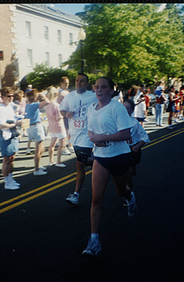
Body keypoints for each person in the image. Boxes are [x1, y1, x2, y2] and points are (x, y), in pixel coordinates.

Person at [82, 76, 136, 256]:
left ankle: (130, 196)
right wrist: (93, 137)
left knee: (121, 192)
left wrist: (102, 138)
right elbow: (90, 130)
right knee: (96, 199)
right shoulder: (91, 108)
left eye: (103, 87)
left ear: (112, 90)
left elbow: (125, 133)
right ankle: (94, 241)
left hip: (120, 156)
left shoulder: (117, 107)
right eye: (96, 87)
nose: (98, 90)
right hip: (101, 158)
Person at [59, 73, 98, 205]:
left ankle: (75, 195)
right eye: (77, 81)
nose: (79, 83)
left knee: (80, 165)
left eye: (82, 81)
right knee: (85, 161)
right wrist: (66, 114)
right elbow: (62, 110)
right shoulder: (69, 96)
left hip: (87, 135)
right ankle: (103, 163)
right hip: (75, 137)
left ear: (87, 84)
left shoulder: (93, 97)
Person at [0, 87, 22, 190]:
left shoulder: (9, 107)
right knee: (6, 159)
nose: (11, 98)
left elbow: (12, 119)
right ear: (3, 97)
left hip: (12, 134)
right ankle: (7, 182)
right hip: (5, 135)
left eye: (12, 96)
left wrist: (17, 129)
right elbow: (1, 125)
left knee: (12, 157)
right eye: (8, 96)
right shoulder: (0, 109)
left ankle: (10, 178)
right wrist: (15, 124)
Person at [123, 99, 150, 193]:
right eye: (123, 107)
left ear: (131, 110)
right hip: (121, 150)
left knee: (128, 176)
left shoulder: (134, 123)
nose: (125, 110)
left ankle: (129, 195)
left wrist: (137, 146)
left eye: (128, 108)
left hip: (131, 150)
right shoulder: (116, 122)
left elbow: (145, 137)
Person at [25, 89, 50, 175]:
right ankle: (36, 170)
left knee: (41, 148)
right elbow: (47, 102)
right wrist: (43, 95)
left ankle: (38, 165)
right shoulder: (34, 105)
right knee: (38, 150)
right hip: (36, 127)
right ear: (35, 98)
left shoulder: (27, 105)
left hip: (32, 127)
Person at [44, 86, 67, 168]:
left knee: (52, 144)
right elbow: (59, 117)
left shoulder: (47, 105)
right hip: (59, 126)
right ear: (56, 94)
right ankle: (58, 161)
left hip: (51, 126)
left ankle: (51, 160)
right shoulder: (56, 105)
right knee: (62, 144)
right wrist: (64, 114)